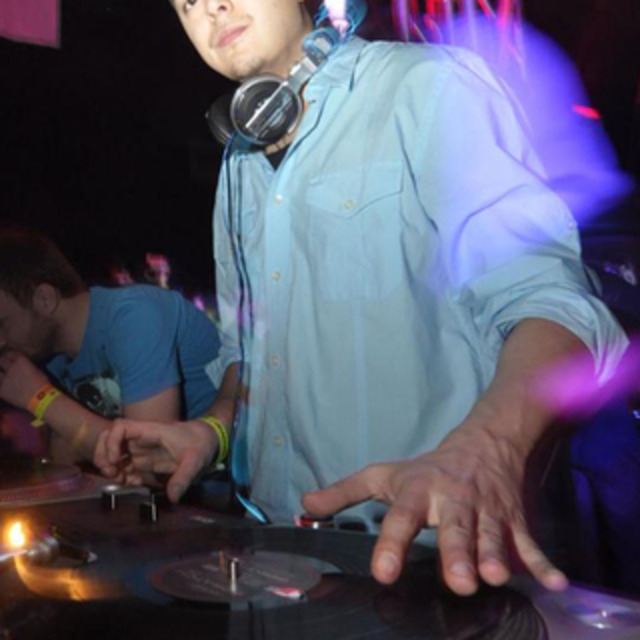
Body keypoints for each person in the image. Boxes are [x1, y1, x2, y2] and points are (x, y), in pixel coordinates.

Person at [94, 0, 628, 597]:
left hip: (429, 570)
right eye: (186, 3)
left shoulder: (427, 88)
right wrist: (212, 433)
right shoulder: (238, 163)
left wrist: (492, 446)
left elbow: (554, 305)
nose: (212, 8)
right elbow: (250, 357)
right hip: (271, 566)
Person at [0, 228, 221, 462]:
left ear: (45, 299)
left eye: (2, 324)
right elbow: (62, 456)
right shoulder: (48, 356)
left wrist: (40, 397)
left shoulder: (135, 315)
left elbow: (153, 457)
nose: (1, 341)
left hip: (222, 480)